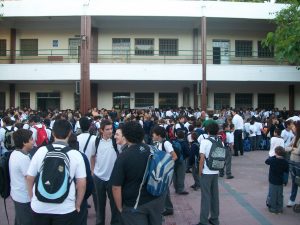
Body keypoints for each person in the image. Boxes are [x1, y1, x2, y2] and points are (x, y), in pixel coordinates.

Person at [26, 119, 86, 225]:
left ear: (53, 133)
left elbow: (29, 178)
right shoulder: (76, 155)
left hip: (39, 206)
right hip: (65, 208)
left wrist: (32, 198)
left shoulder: (41, 151)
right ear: (70, 133)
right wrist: (78, 204)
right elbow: (82, 184)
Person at [111, 121, 165, 225]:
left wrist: (120, 208)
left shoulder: (123, 157)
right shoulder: (152, 149)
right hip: (156, 199)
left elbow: (116, 187)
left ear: (126, 136)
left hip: (135, 204)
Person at [90, 119, 120, 225]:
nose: (110, 131)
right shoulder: (96, 141)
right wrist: (93, 171)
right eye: (107, 129)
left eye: (111, 129)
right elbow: (92, 156)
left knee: (114, 205)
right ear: (101, 130)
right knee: (100, 206)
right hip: (99, 178)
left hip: (113, 178)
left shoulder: (116, 141)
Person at [196, 122, 221, 225]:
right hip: (216, 171)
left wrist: (199, 172)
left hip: (206, 172)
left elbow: (201, 159)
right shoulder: (220, 141)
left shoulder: (205, 142)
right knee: (215, 196)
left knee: (205, 197)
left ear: (208, 131)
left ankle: (203, 221)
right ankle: (215, 219)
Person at [9, 129, 34, 225]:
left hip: (17, 193)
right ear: (24, 142)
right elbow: (30, 178)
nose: (33, 141)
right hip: (24, 197)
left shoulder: (15, 153)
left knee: (20, 219)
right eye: (31, 139)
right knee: (25, 221)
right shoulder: (23, 158)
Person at [152, 125, 177, 216]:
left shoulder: (166, 143)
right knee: (163, 190)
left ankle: (168, 208)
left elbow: (174, 156)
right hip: (160, 171)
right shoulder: (158, 143)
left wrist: (165, 166)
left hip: (165, 171)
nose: (152, 136)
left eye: (154, 134)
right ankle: (166, 207)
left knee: (164, 190)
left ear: (158, 135)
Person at [265, 146, 289, 214]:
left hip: (273, 180)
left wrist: (273, 156)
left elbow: (266, 161)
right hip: (280, 180)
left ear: (275, 153)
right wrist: (285, 181)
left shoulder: (272, 160)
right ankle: (280, 208)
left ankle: (273, 208)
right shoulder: (285, 162)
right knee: (280, 195)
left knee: (273, 194)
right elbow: (286, 172)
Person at [285, 121, 300, 207]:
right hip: (292, 162)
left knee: (298, 182)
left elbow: (298, 151)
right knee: (294, 182)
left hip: (298, 163)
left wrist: (291, 149)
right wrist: (293, 149)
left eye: (294, 127)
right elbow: (286, 147)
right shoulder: (295, 137)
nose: (292, 128)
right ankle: (292, 200)